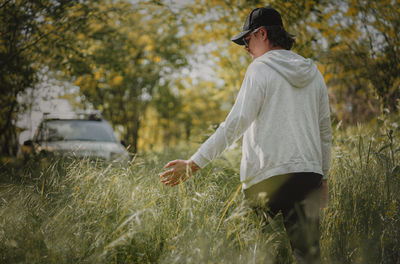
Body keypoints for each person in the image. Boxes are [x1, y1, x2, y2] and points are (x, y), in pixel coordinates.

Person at [160, 6, 332, 260]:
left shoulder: (260, 69)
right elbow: (324, 133)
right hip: (308, 177)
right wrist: (323, 179)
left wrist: (192, 164)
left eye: (247, 39)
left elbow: (234, 125)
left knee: (262, 256)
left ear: (262, 34)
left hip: (267, 180)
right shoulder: (314, 73)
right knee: (308, 257)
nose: (245, 47)